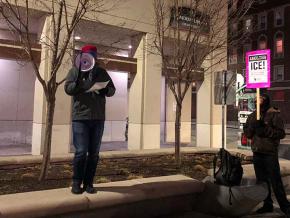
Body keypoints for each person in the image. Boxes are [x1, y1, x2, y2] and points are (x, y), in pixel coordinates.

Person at [64, 45, 115, 194]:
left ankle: (88, 183)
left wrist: (105, 90)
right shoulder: (75, 71)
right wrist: (79, 82)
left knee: (94, 153)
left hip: (98, 118)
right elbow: (68, 89)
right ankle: (76, 182)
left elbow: (112, 89)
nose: (90, 58)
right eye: (87, 55)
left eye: (93, 55)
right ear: (82, 56)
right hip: (80, 117)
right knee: (81, 151)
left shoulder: (101, 72)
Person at [243, 93, 290, 217]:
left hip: (269, 153)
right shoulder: (253, 115)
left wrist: (265, 130)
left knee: (276, 181)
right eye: (256, 99)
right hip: (257, 152)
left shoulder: (273, 114)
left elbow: (281, 133)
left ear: (266, 100)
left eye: (260, 99)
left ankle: (285, 207)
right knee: (262, 182)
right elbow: (247, 133)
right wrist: (251, 128)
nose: (257, 101)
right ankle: (267, 204)